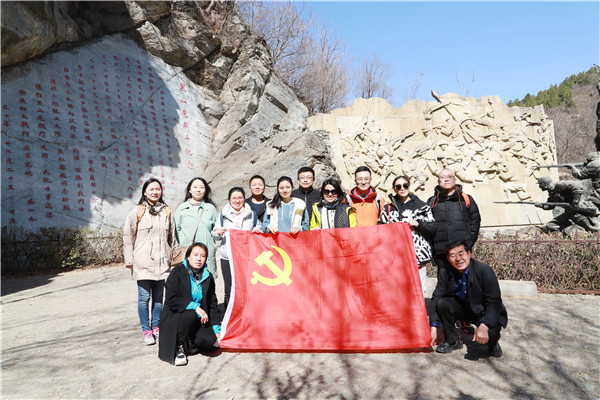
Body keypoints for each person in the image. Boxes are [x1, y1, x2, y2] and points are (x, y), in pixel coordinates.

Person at [429, 241, 507, 357]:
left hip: (483, 311)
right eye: (453, 255)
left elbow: (494, 303)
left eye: (461, 254)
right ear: (448, 258)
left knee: (491, 332)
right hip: (463, 309)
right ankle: (452, 340)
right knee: (442, 303)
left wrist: (484, 325)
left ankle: (493, 343)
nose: (458, 259)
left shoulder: (484, 271)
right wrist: (434, 326)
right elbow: (436, 297)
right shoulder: (445, 272)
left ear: (469, 254)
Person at [123, 178, 174, 346]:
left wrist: (170, 257)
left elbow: (172, 237)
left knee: (159, 298)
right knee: (144, 297)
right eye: (151, 189)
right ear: (145, 192)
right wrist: (129, 260)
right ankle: (146, 330)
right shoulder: (137, 211)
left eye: (157, 189)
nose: (155, 192)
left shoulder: (167, 211)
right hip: (142, 262)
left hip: (162, 262)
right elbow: (128, 236)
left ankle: (156, 327)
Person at [158, 242, 221, 366]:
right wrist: (195, 307)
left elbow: (212, 304)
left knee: (208, 341)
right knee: (190, 314)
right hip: (177, 317)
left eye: (203, 256)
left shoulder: (208, 276)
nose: (199, 259)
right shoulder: (177, 272)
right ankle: (179, 346)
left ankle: (189, 341)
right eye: (195, 255)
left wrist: (216, 329)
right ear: (188, 257)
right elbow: (172, 300)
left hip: (198, 319)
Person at [378, 175, 436, 293]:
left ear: (409, 186)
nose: (402, 188)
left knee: (419, 290)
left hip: (418, 255)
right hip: (396, 257)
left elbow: (432, 229)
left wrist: (419, 224)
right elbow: (380, 231)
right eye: (398, 186)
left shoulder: (423, 207)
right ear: (394, 189)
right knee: (399, 291)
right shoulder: (388, 209)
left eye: (405, 185)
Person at [212, 187, 261, 312]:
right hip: (227, 257)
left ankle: (246, 313)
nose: (237, 200)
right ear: (229, 200)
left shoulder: (251, 214)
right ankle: (230, 315)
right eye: (234, 198)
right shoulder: (223, 215)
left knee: (246, 287)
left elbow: (259, 229)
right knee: (229, 288)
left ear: (244, 199)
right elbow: (215, 234)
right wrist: (218, 232)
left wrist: (258, 230)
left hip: (246, 258)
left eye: (240, 198)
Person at [427, 168, 481, 270]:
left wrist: (468, 244)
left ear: (455, 180)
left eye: (449, 177)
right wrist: (433, 248)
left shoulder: (466, 199)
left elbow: (475, 222)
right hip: (441, 252)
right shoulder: (432, 202)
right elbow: (428, 227)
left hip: (461, 251)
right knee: (443, 279)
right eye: (443, 177)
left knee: (464, 279)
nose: (446, 179)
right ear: (439, 181)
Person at [174, 177, 219, 278]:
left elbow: (216, 230)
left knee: (206, 282)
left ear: (205, 190)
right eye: (195, 187)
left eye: (201, 187)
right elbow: (176, 231)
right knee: (186, 282)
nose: (198, 190)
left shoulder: (211, 209)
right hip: (187, 253)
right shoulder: (182, 208)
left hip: (206, 254)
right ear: (190, 190)